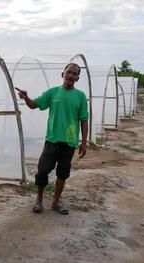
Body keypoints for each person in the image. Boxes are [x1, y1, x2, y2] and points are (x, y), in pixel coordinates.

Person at [16, 63, 88, 215]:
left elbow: (84, 120)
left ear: (78, 78)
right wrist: (26, 97)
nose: (70, 75)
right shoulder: (53, 93)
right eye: (68, 72)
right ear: (62, 74)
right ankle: (39, 201)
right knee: (42, 171)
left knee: (62, 173)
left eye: (74, 74)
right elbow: (34, 105)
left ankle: (55, 203)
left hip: (69, 141)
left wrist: (84, 142)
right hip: (52, 140)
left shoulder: (80, 96)